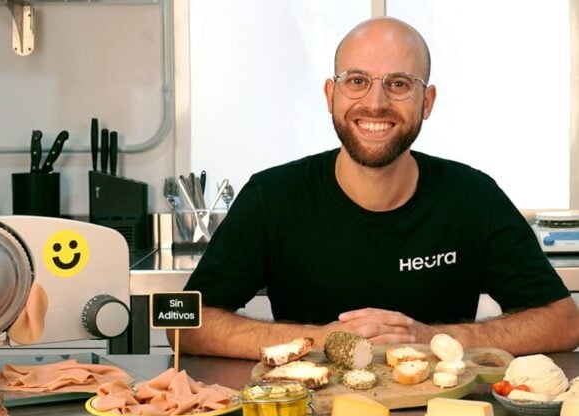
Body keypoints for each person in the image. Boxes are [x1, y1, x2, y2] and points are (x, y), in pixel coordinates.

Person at [171, 16, 579, 359]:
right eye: (357, 81)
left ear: (428, 101)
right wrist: (318, 341)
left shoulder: (474, 197)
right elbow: (181, 322)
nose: (376, 103)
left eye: (399, 83)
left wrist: (432, 339)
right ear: (331, 94)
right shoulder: (272, 196)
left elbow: (563, 322)